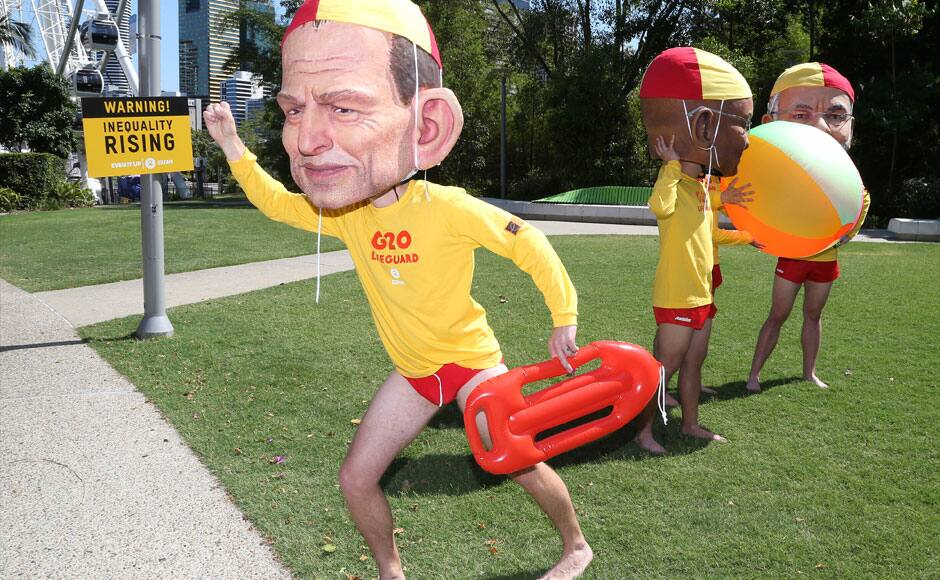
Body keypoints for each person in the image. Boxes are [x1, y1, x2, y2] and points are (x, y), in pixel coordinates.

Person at [203, 1, 592, 578]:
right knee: (355, 478)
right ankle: (392, 570)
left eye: (342, 106)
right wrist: (234, 147)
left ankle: (576, 546)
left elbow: (526, 241)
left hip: (472, 365)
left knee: (516, 458)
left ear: (425, 126)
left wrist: (564, 315)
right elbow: (278, 203)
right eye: (297, 112)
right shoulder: (348, 213)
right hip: (415, 372)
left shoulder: (446, 206)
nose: (310, 140)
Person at [632, 47, 754, 454]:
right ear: (703, 127)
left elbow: (709, 237)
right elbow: (659, 207)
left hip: (701, 294)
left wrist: (745, 237)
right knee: (662, 370)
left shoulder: (702, 189)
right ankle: (643, 432)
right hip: (677, 296)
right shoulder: (674, 187)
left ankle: (690, 424)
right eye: (745, 125)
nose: (748, 138)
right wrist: (670, 164)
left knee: (694, 364)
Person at [745, 63, 871, 393]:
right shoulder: (772, 169)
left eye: (835, 115)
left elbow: (854, 220)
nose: (820, 126)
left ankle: (808, 372)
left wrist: (844, 232)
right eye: (801, 115)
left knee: (813, 316)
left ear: (850, 128)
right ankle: (754, 374)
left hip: (825, 260)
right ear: (769, 123)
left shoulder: (851, 184)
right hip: (793, 256)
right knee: (778, 314)